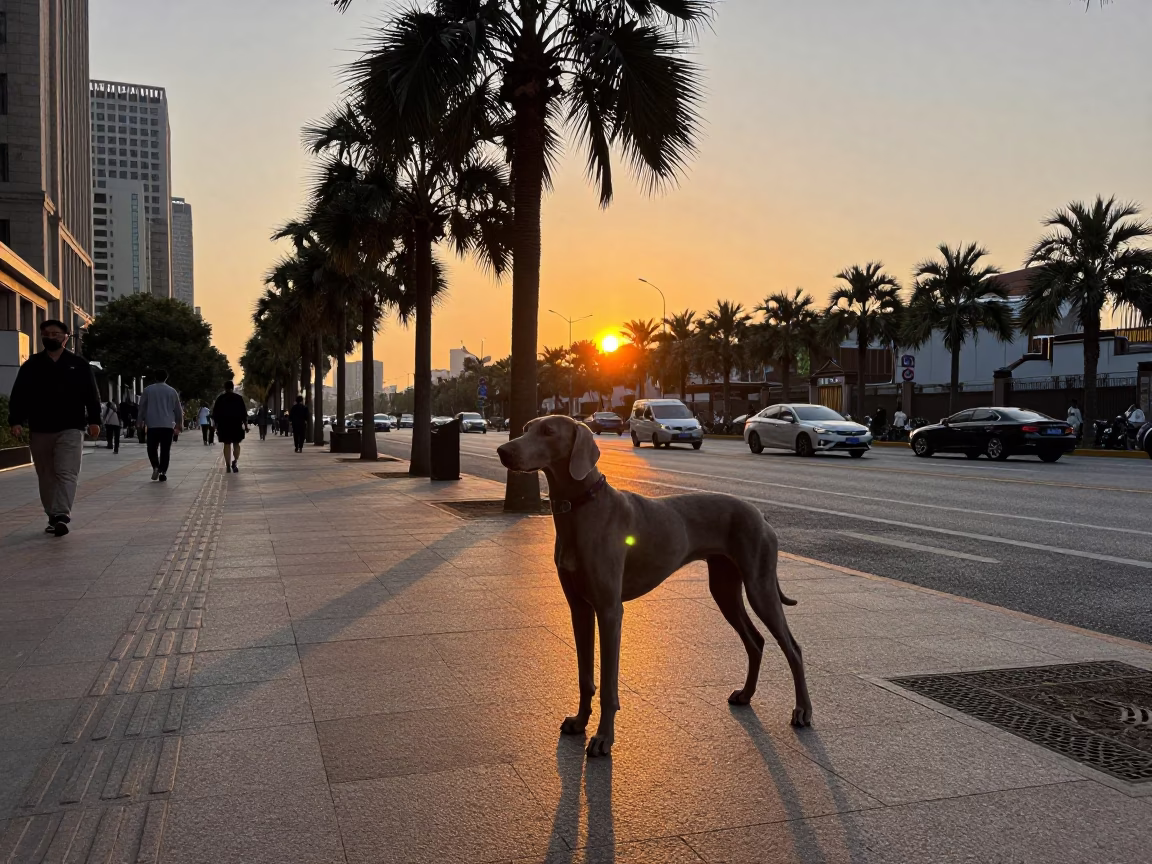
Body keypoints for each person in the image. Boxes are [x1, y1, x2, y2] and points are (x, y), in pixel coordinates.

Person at [7, 319, 102, 536]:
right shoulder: (32, 365)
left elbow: (91, 395)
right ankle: (52, 514)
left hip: (71, 427)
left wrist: (95, 420)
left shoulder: (78, 364)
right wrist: (16, 421)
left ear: (65, 337)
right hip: (40, 428)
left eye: (55, 334)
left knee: (67, 471)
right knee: (46, 474)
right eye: (46, 334)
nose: (51, 337)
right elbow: (19, 395)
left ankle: (61, 514)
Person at [138, 370, 182, 482]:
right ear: (166, 378)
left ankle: (155, 466)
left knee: (151, 448)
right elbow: (178, 410)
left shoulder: (148, 390)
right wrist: (179, 424)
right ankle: (163, 472)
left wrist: (140, 421)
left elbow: (142, 407)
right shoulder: (172, 391)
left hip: (152, 425)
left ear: (155, 377)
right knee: (165, 450)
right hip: (168, 425)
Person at [211, 381, 249, 472]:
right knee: (236, 444)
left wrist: (215, 425)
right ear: (232, 387)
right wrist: (246, 426)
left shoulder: (220, 399)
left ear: (225, 388)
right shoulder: (239, 398)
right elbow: (244, 414)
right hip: (236, 425)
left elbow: (215, 414)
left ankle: (227, 466)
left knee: (226, 444)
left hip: (224, 425)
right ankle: (235, 462)